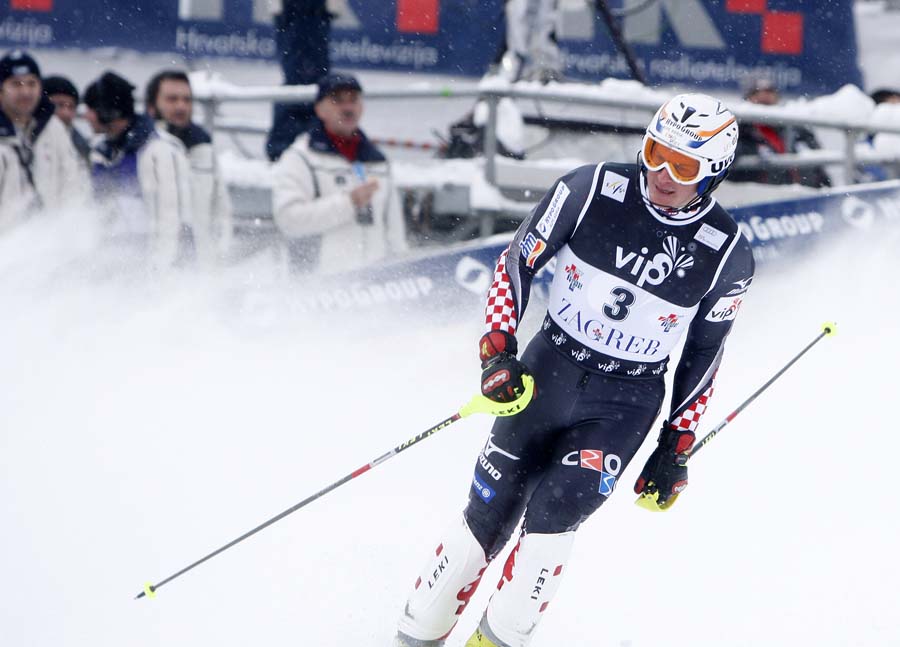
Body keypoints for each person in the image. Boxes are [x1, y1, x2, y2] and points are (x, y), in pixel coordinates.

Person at [394, 93, 755, 647]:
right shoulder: (589, 190)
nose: (660, 174)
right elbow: (518, 258)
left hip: (622, 406)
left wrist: (676, 446)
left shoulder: (727, 252)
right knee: (480, 528)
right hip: (547, 373)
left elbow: (704, 354)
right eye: (655, 152)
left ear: (714, 174)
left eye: (682, 166)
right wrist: (497, 350)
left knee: (548, 532)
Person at [271, 73, 407, 274]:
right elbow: (289, 220)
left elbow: (395, 233)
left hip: (375, 292)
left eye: (353, 100)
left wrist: (402, 273)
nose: (347, 108)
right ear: (319, 109)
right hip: (318, 291)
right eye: (337, 100)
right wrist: (348, 203)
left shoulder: (378, 161)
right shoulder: (300, 158)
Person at [84, 71, 192, 268]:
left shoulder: (157, 151)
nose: (85, 115)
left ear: (108, 112)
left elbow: (171, 216)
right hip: (112, 266)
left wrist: (161, 268)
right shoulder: (103, 153)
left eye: (91, 108)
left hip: (149, 270)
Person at [145, 69, 233, 264]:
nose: (181, 106)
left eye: (187, 100)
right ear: (152, 106)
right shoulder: (141, 148)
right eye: (172, 99)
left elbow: (221, 211)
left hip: (201, 274)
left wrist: (219, 255)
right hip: (153, 274)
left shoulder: (205, 146)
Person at [0, 50, 84, 232]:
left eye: (32, 83)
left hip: (49, 250)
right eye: (16, 84)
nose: (25, 91)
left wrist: (71, 235)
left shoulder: (54, 128)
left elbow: (73, 186)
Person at [729, 76, 830, 187]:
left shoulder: (797, 130)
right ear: (747, 99)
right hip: (760, 198)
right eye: (757, 92)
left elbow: (820, 166)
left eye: (770, 91)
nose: (765, 96)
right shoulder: (737, 133)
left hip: (805, 197)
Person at [265, 0, 331, 161]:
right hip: (296, 13)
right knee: (300, 81)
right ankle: (287, 150)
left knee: (313, 82)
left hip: (312, 13)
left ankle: (316, 145)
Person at [42, 75, 91, 166]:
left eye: (71, 107)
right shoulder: (24, 139)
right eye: (59, 105)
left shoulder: (82, 147)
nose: (66, 113)